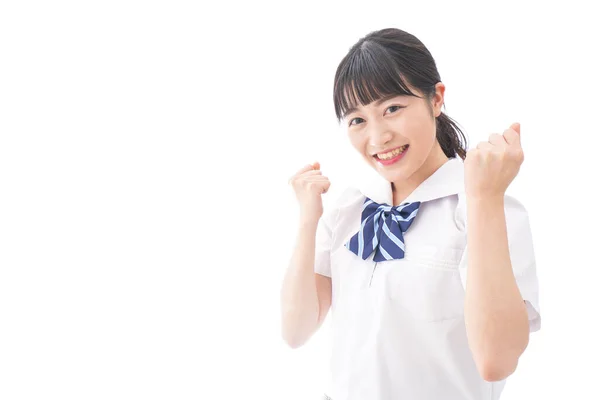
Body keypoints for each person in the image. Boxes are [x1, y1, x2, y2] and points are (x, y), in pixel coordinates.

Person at [280, 27, 541, 400]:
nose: (378, 137)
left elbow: (496, 360)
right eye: (357, 120)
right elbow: (295, 330)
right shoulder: (349, 210)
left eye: (393, 109)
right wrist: (308, 219)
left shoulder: (488, 209)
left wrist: (483, 198)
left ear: (436, 99)